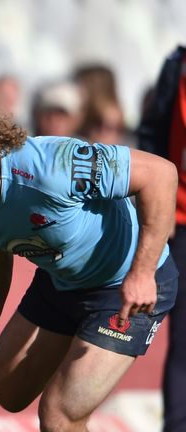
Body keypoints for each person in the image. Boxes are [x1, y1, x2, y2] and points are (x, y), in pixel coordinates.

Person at [0, 93, 178, 430]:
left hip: (124, 284)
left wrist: (143, 272)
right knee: (8, 389)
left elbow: (161, 175)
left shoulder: (52, 167)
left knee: (59, 414)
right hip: (62, 282)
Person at [138, 44, 186, 432]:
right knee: (183, 343)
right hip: (180, 222)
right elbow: (152, 133)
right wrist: (158, 202)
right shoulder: (175, 66)